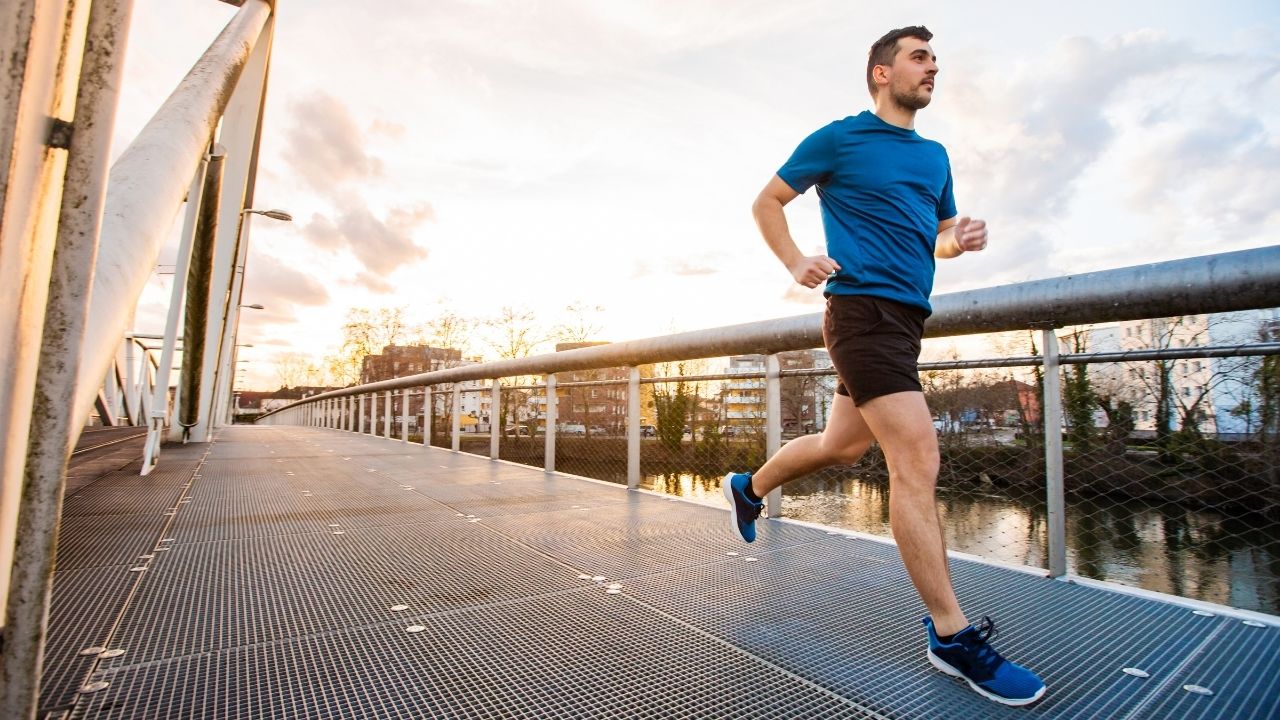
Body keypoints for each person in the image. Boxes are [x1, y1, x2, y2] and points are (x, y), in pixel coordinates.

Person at [722, 25, 1046, 707]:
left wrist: (960, 238)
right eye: (919, 58)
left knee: (842, 447)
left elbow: (939, 236)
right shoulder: (840, 139)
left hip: (907, 321)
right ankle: (951, 635)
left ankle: (750, 485)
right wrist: (794, 260)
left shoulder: (934, 156)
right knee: (916, 461)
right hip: (861, 313)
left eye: (936, 59)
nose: (933, 69)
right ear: (881, 73)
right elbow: (767, 200)